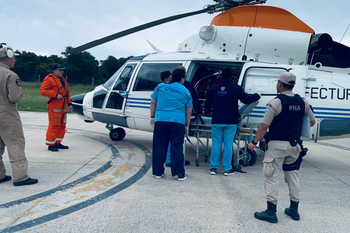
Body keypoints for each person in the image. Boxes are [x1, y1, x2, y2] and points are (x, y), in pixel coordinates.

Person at [248, 71, 315, 223]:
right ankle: (294, 210)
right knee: (293, 177)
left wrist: (254, 142)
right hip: (295, 146)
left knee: (271, 176)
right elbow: (312, 121)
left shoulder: (275, 103)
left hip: (277, 146)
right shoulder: (302, 102)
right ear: (293, 85)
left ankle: (271, 212)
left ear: (279, 84)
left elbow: (264, 125)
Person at [205, 68, 260, 176]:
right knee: (228, 145)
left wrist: (207, 113)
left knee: (216, 144)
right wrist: (256, 96)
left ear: (221, 76)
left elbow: (207, 104)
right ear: (231, 77)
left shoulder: (214, 88)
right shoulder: (236, 88)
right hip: (231, 121)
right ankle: (227, 169)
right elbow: (246, 99)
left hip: (217, 120)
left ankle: (213, 168)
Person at [0, 43, 38, 186]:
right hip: (6, 113)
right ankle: (20, 177)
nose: (15, 59)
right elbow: (15, 97)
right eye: (14, 57)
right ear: (8, 58)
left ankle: (0, 175)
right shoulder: (11, 75)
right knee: (15, 143)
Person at [150, 68, 192, 181]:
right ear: (182, 78)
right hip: (177, 122)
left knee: (159, 146)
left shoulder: (161, 86)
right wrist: (187, 126)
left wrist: (152, 117)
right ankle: (179, 173)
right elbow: (188, 112)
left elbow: (153, 102)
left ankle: (158, 172)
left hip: (161, 120)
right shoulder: (186, 91)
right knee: (176, 147)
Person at [40, 64, 73, 152]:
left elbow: (66, 94)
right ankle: (51, 144)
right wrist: (54, 95)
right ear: (54, 71)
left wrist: (69, 104)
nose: (62, 71)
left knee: (62, 126)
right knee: (54, 125)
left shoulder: (63, 80)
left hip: (63, 108)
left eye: (62, 70)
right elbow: (43, 91)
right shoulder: (49, 79)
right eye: (60, 70)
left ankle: (58, 142)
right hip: (54, 107)